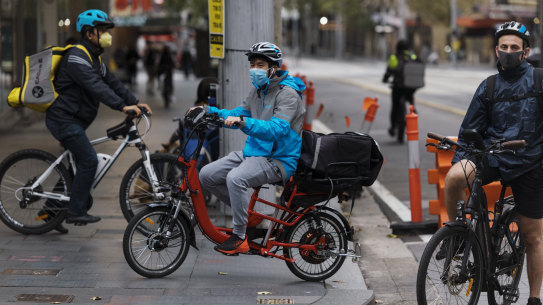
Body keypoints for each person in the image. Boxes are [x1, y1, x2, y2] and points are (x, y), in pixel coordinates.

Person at [443, 21, 543, 305]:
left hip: (530, 164)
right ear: (496, 50)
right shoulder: (487, 86)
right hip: (493, 158)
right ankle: (459, 238)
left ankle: (534, 297)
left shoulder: (538, 80)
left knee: (532, 236)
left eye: (514, 47)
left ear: (524, 51)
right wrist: (465, 158)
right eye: (504, 47)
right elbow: (468, 133)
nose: (509, 51)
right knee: (453, 178)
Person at [193, 42, 306, 255]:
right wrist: (209, 112)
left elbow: (277, 129)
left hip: (278, 159)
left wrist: (243, 123)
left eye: (260, 64)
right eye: (252, 65)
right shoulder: (257, 91)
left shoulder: (288, 94)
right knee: (206, 175)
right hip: (253, 153)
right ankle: (250, 217)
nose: (254, 69)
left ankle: (239, 236)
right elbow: (237, 112)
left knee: (235, 178)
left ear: (274, 67)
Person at [45, 9, 151, 227]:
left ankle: (51, 214)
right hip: (63, 120)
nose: (106, 34)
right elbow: (96, 87)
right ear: (89, 33)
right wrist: (122, 106)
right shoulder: (77, 57)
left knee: (74, 168)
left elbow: (113, 83)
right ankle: (75, 212)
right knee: (88, 161)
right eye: (102, 30)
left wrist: (135, 101)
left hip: (74, 120)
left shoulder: (93, 58)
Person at [382, 39, 418, 143]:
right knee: (411, 100)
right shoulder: (413, 56)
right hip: (410, 88)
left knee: (395, 106)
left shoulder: (394, 57)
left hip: (398, 87)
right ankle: (413, 108)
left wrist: (385, 79)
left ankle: (393, 126)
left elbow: (388, 71)